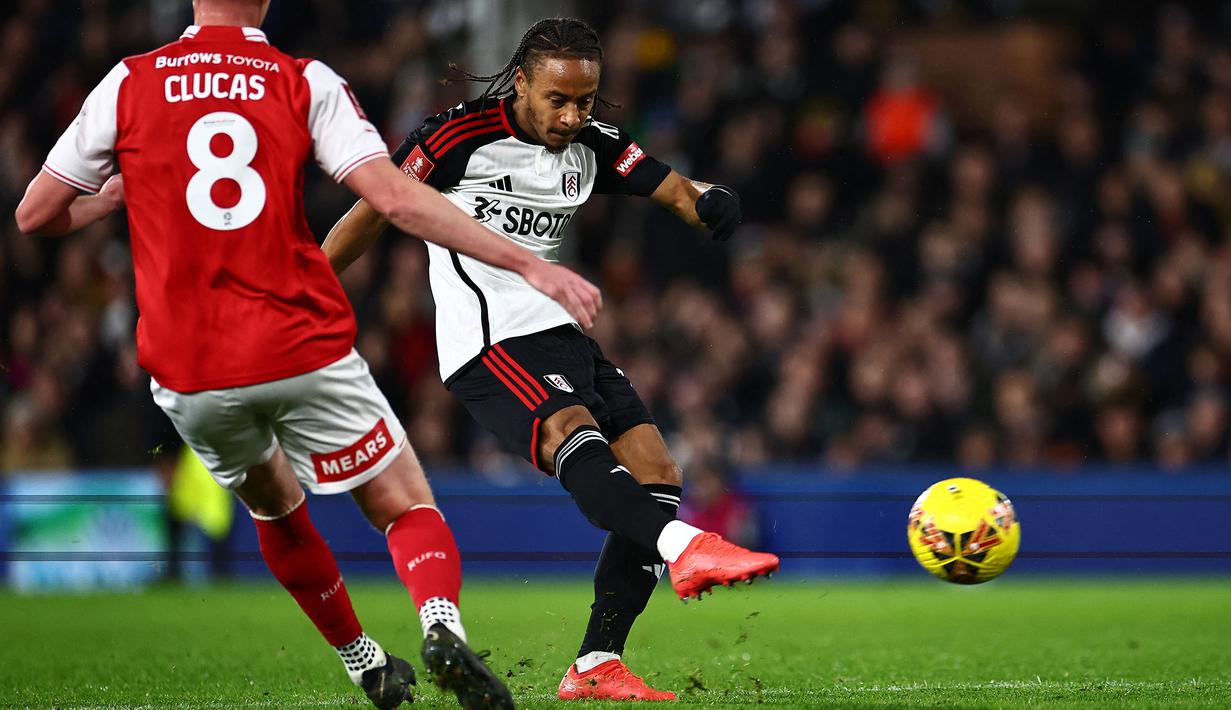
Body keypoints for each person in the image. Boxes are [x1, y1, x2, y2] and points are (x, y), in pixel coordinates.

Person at [15, 2, 606, 708]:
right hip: (295, 342)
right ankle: (440, 625)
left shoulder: (128, 81)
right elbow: (394, 198)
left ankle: (363, 662)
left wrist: (111, 199)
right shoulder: (301, 79)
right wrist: (528, 264)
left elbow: (36, 214)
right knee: (402, 504)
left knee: (276, 512)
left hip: (187, 364)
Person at [324, 17, 779, 702]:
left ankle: (596, 662)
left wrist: (709, 201)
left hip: (562, 331)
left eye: (585, 101)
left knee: (657, 470)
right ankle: (684, 547)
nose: (570, 116)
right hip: (489, 340)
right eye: (556, 100)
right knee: (572, 431)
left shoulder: (594, 144)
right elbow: (373, 209)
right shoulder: (453, 138)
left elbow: (672, 187)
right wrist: (307, 286)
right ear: (521, 85)